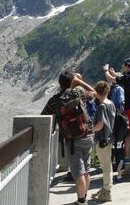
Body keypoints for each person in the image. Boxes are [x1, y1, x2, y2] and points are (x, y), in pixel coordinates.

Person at [41, 71, 96, 205]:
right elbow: (94, 92)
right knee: (86, 169)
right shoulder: (80, 93)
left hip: (72, 139)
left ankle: (81, 201)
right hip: (87, 134)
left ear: (60, 83)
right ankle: (84, 196)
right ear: (72, 82)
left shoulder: (55, 100)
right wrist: (79, 81)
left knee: (78, 172)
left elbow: (43, 116)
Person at [104, 58, 130, 165]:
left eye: (125, 66)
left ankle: (126, 158)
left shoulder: (127, 78)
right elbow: (121, 78)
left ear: (127, 66)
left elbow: (111, 80)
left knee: (128, 134)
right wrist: (115, 74)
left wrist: (106, 71)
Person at [90, 81, 116, 203]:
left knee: (105, 167)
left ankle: (106, 192)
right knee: (108, 165)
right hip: (110, 138)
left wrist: (89, 130)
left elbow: (100, 125)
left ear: (97, 92)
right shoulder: (111, 103)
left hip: (102, 140)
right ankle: (105, 188)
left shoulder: (101, 106)